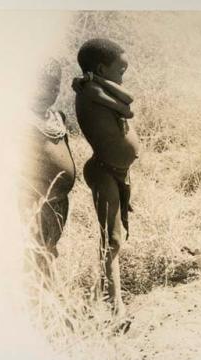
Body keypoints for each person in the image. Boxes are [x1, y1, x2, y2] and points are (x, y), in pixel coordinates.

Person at [73, 38, 140, 325]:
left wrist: (100, 80)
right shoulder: (89, 92)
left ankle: (103, 299)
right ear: (102, 68)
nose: (123, 77)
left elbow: (126, 101)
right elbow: (127, 108)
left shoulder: (94, 87)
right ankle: (114, 310)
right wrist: (93, 82)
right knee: (111, 240)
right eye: (120, 70)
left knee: (116, 238)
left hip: (116, 171)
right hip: (103, 170)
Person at [19, 59, 76, 280]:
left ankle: (49, 297)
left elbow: (65, 148)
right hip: (35, 201)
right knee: (35, 249)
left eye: (54, 86)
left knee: (50, 247)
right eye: (42, 86)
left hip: (60, 200)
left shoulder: (57, 117)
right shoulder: (22, 121)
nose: (49, 92)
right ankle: (36, 302)